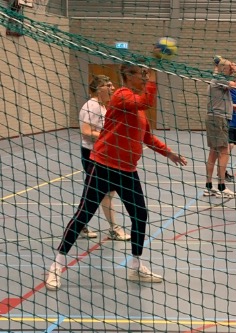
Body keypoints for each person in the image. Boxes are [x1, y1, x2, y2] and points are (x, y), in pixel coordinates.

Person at [45, 63, 187, 290]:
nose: (144, 79)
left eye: (145, 75)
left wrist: (168, 153)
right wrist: (152, 80)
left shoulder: (138, 109)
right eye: (141, 75)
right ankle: (56, 266)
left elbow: (148, 138)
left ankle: (136, 266)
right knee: (84, 215)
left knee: (139, 215)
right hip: (103, 166)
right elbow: (146, 100)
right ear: (127, 76)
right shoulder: (122, 96)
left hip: (128, 171)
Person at [78, 74, 131, 241]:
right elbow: (86, 131)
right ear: (98, 88)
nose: (112, 88)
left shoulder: (103, 106)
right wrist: (107, 136)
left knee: (98, 193)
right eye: (108, 85)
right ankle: (114, 228)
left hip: (103, 155)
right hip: (93, 155)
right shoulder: (92, 106)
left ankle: (81, 225)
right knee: (104, 193)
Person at [204, 57, 236, 198]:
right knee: (224, 151)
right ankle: (221, 186)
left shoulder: (217, 80)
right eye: (228, 68)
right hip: (218, 119)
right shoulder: (219, 79)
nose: (230, 70)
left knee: (213, 152)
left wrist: (231, 106)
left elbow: (217, 99)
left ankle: (209, 186)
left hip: (216, 117)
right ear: (222, 69)